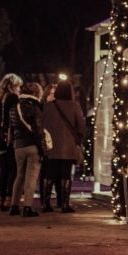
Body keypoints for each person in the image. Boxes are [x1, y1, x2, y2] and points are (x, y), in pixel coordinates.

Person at [40, 80, 87, 213]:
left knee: (50, 174)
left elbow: (42, 125)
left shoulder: (49, 106)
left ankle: (46, 203)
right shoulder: (74, 106)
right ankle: (65, 204)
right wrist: (79, 139)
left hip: (52, 146)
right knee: (66, 174)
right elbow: (81, 126)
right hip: (68, 146)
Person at [10, 81, 45, 217]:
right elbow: (37, 130)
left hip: (18, 145)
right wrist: (42, 149)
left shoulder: (14, 106)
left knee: (19, 175)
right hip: (32, 145)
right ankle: (27, 206)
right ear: (36, 93)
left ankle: (14, 205)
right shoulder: (35, 107)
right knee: (31, 177)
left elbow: (11, 128)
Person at [0, 74, 22, 209]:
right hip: (10, 137)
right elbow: (14, 118)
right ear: (12, 86)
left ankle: (2, 198)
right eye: (18, 86)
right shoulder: (13, 98)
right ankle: (9, 197)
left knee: (4, 169)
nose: (19, 89)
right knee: (13, 168)